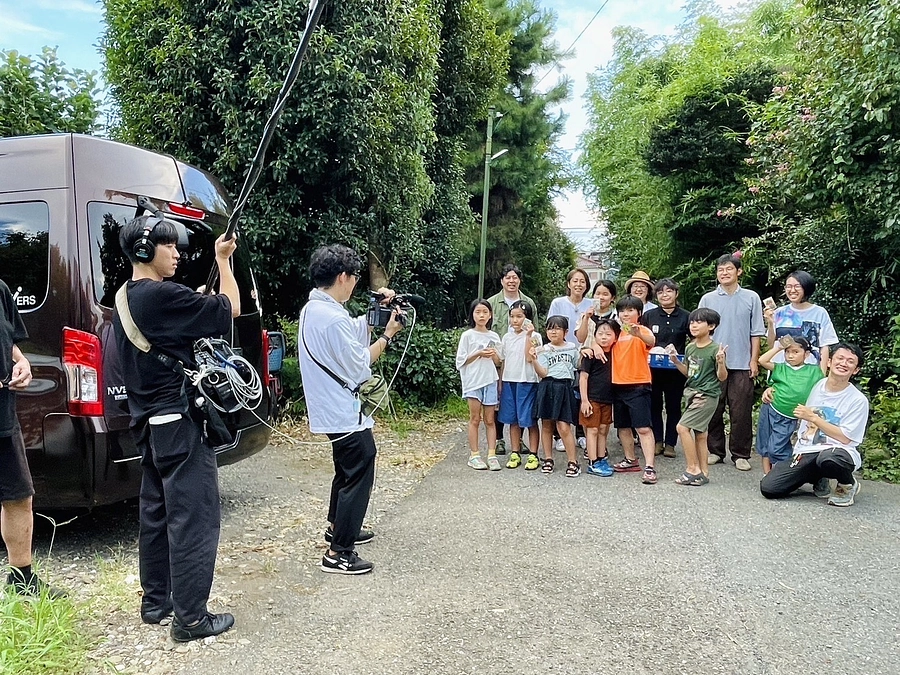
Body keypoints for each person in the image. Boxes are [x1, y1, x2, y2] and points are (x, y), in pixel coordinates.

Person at [113, 217, 239, 640]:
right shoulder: (164, 295)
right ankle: (191, 619)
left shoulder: (127, 296)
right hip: (179, 424)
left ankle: (156, 603)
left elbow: (169, 327)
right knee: (194, 518)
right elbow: (230, 309)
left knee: (156, 512)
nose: (178, 253)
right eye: (170, 246)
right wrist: (223, 262)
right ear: (146, 251)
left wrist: (192, 301)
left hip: (147, 424)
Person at [298, 245, 404, 575]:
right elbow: (360, 365)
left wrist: (376, 311)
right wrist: (388, 335)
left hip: (331, 405)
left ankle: (338, 526)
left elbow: (350, 336)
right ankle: (339, 551)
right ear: (343, 277)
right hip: (339, 406)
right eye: (354, 278)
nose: (355, 284)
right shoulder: (330, 317)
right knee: (360, 464)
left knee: (347, 468)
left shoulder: (315, 309)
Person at [1, 278, 64, 598]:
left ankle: (22, 580)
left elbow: (9, 339)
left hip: (3, 414)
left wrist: (21, 361)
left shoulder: (0, 289)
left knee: (18, 495)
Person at [760, 344, 869, 507]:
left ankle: (846, 484)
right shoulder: (816, 384)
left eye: (850, 361)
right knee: (769, 488)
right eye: (840, 358)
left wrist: (814, 418)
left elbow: (846, 438)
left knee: (829, 459)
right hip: (806, 450)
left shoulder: (857, 400)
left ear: (856, 370)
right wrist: (770, 391)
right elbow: (792, 390)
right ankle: (819, 478)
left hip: (837, 451)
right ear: (830, 362)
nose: (843, 363)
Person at [698, 253, 766, 471]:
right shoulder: (708, 299)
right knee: (713, 409)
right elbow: (699, 331)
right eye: (720, 270)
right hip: (712, 364)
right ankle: (715, 451)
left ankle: (740, 454)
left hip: (741, 363)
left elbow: (756, 332)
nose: (724, 273)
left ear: (739, 271)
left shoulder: (751, 297)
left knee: (741, 411)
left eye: (729, 269)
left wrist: (754, 360)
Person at [668, 308, 727, 486]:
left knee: (682, 427)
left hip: (707, 395)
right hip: (692, 393)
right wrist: (676, 362)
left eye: (699, 322)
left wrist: (721, 362)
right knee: (701, 433)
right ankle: (703, 472)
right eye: (692, 322)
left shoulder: (716, 349)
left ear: (711, 326)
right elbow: (690, 373)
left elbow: (722, 377)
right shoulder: (690, 347)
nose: (693, 325)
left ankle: (692, 469)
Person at [487, 264, 538, 456]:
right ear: (501, 280)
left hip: (523, 362)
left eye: (515, 277)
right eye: (507, 277)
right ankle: (500, 439)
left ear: (519, 280)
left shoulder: (528, 303)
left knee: (522, 403)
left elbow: (535, 331)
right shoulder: (492, 302)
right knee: (500, 399)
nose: (511, 281)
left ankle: (520, 441)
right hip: (499, 358)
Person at [757, 336, 824, 475]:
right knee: (766, 444)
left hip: (797, 417)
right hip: (772, 409)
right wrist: (778, 347)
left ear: (806, 354)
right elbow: (762, 360)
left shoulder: (814, 371)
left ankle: (791, 471)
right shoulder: (780, 368)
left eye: (795, 352)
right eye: (787, 352)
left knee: (777, 448)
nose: (790, 355)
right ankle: (767, 474)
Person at [609, 296, 658, 484]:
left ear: (639, 313)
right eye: (622, 310)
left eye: (630, 310)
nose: (626, 314)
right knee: (623, 426)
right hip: (617, 384)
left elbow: (651, 340)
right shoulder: (616, 332)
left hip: (639, 384)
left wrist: (638, 334)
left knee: (643, 427)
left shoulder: (642, 330)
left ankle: (650, 467)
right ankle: (630, 460)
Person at [641, 278, 690, 458]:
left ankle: (670, 443)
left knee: (673, 406)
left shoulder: (686, 316)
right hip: (653, 369)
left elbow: (692, 342)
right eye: (660, 292)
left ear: (676, 294)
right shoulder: (649, 316)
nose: (664, 295)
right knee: (654, 404)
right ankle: (657, 441)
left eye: (669, 291)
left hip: (676, 369)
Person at [529, 316, 580, 476]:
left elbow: (578, 365)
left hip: (564, 387)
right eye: (550, 328)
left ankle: (573, 461)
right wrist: (534, 360)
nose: (553, 331)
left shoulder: (572, 347)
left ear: (565, 332)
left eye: (557, 328)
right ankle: (548, 459)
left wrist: (586, 350)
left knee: (564, 426)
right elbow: (543, 373)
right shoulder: (543, 349)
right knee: (546, 425)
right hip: (547, 386)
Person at [548, 269, 592, 451]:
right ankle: (559, 434)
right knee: (561, 394)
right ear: (568, 283)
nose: (578, 284)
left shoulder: (591, 304)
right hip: (561, 355)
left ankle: (581, 432)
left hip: (584, 354)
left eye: (582, 281)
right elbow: (551, 326)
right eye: (575, 281)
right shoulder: (558, 303)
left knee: (582, 394)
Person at [456, 300, 502, 471]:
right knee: (475, 418)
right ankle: (474, 455)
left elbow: (499, 361)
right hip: (473, 381)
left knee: (490, 420)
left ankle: (492, 454)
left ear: (490, 315)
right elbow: (460, 361)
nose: (481, 315)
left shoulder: (494, 336)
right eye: (478, 312)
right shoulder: (467, 336)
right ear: (472, 315)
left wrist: (494, 355)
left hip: (490, 380)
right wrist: (478, 353)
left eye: (485, 312)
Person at [764, 271, 838, 375]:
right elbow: (771, 344)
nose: (792, 290)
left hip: (808, 372)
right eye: (788, 286)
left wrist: (821, 374)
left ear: (806, 288)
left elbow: (824, 346)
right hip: (781, 371)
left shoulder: (820, 313)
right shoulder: (779, 312)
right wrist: (770, 323)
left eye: (797, 286)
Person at [498, 301, 541, 471]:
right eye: (512, 316)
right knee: (513, 419)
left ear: (527, 318)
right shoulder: (506, 338)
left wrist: (529, 335)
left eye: (519, 316)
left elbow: (530, 358)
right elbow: (502, 361)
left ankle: (533, 453)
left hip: (528, 381)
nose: (515, 320)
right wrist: (501, 383)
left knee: (529, 419)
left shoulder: (535, 337)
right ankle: (515, 451)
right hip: (510, 381)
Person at [579, 319, 619, 477]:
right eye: (600, 334)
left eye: (608, 334)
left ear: (615, 337)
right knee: (592, 430)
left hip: (607, 399)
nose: (604, 337)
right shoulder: (590, 355)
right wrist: (584, 400)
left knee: (603, 430)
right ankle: (592, 462)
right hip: (592, 399)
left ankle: (602, 458)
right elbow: (583, 378)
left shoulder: (616, 352)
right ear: (594, 336)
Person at [574, 279, 617, 347]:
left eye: (605, 294)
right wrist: (586, 318)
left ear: (612, 298)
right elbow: (580, 339)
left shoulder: (617, 317)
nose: (600, 297)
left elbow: (625, 333)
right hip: (588, 355)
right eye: (597, 294)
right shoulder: (585, 316)